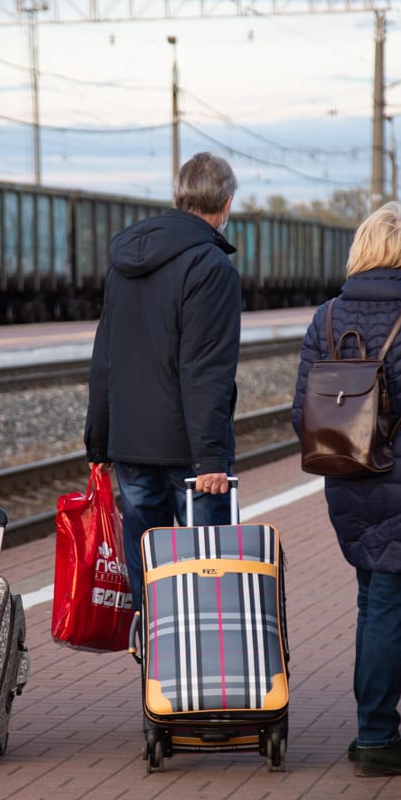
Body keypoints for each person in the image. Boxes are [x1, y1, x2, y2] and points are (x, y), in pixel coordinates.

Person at [291, 202, 401, 777]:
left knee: (372, 602)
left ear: (361, 252)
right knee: (387, 607)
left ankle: (373, 727)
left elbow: (301, 412)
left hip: (346, 478)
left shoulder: (327, 317)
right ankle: (376, 736)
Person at [84, 152, 241, 611]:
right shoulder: (212, 268)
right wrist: (212, 455)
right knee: (207, 579)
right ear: (226, 204)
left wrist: (99, 443)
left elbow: (104, 357)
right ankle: (204, 676)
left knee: (148, 579)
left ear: (179, 197)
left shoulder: (123, 262)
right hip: (191, 459)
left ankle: (155, 677)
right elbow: (205, 370)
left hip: (131, 446)